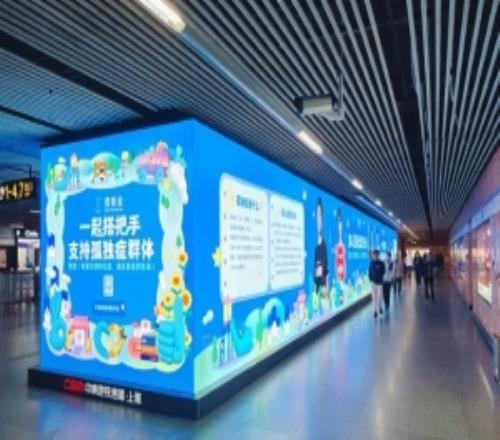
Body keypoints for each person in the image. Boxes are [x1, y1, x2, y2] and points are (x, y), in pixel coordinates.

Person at [314, 198, 329, 297]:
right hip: (316, 281)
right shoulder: (313, 242)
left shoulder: (324, 244)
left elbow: (326, 266)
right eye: (317, 216)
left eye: (320, 216)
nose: (318, 220)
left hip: (322, 280)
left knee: (323, 298)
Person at [369, 250, 385, 318]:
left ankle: (380, 307)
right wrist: (371, 280)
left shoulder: (381, 263)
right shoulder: (371, 263)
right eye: (373, 255)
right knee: (374, 297)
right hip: (373, 282)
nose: (374, 256)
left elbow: (383, 271)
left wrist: (380, 277)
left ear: (378, 255)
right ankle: (375, 311)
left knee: (379, 296)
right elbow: (370, 272)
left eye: (376, 255)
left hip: (380, 282)